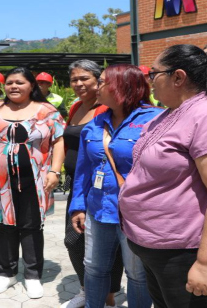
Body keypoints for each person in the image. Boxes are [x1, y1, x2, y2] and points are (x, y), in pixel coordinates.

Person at [118, 45, 207, 308]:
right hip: (159, 250)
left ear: (178, 77)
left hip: (185, 254)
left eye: (154, 74)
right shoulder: (171, 113)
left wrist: (206, 265)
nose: (150, 82)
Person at [70, 64, 161, 308]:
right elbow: (83, 171)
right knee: (94, 268)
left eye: (102, 82)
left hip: (136, 213)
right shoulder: (95, 123)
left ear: (123, 86)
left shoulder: (155, 120)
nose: (96, 87)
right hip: (99, 210)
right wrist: (78, 206)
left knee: (137, 274)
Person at [0, 67, 65, 299]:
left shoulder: (47, 111)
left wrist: (55, 170)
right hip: (0, 180)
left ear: (31, 86)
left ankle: (33, 275)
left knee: (32, 225)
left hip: (36, 179)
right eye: (10, 82)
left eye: (20, 82)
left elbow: (59, 141)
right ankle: (7, 272)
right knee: (4, 225)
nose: (14, 86)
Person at [61, 60, 124, 308]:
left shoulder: (107, 107)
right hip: (77, 183)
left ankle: (107, 294)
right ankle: (88, 289)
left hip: (101, 184)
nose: (78, 84)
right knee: (75, 239)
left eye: (84, 78)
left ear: (99, 80)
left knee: (106, 241)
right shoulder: (76, 107)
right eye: (74, 79)